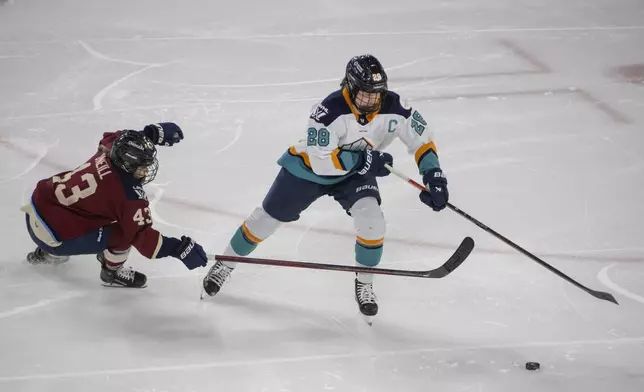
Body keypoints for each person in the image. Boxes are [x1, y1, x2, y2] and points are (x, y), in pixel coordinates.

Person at [202, 54, 449, 318]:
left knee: (372, 221)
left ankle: (365, 282)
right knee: (266, 219)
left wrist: (433, 174)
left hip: (355, 174)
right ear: (350, 87)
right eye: (364, 94)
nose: (371, 100)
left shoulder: (397, 106)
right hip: (308, 171)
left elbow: (422, 139)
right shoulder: (327, 111)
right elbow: (323, 162)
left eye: (376, 94)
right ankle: (226, 263)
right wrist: (365, 160)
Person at [22, 122, 208, 288]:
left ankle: (47, 254)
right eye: (141, 166)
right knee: (124, 232)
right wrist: (178, 248)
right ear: (128, 166)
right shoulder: (129, 196)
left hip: (36, 207)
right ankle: (112, 272)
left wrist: (148, 134)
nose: (145, 170)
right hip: (53, 237)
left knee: (87, 210)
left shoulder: (108, 149)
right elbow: (145, 241)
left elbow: (119, 136)